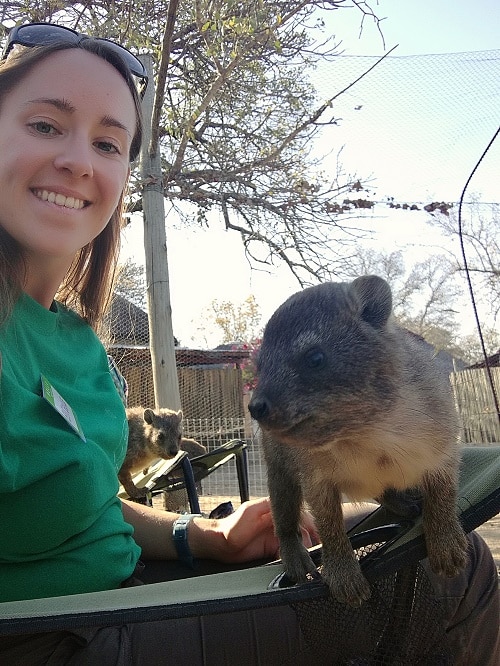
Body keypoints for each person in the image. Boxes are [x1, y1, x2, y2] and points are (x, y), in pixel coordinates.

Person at [0, 22, 497, 665]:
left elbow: (88, 508)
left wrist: (199, 536)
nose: (78, 160)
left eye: (108, 142)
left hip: (123, 588)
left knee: (441, 550)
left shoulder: (74, 338)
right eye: (44, 125)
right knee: (450, 585)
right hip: (54, 633)